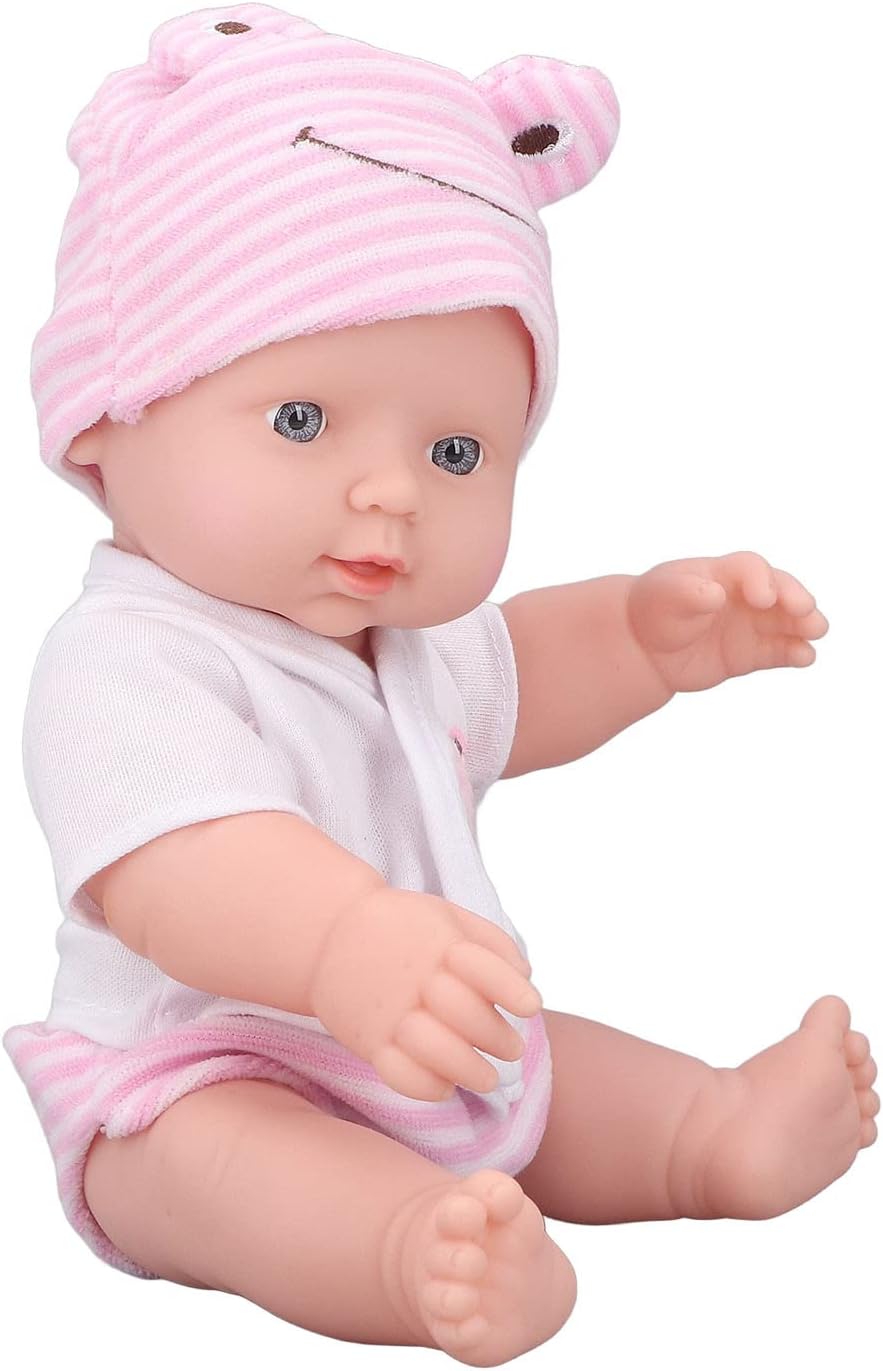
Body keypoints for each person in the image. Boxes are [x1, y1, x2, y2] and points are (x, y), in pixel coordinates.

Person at [5, 6, 877, 1367]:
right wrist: (342, 946)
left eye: (459, 453)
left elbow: (524, 673)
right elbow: (179, 867)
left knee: (544, 1064)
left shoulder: (408, 642)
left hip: (423, 1032)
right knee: (236, 1171)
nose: (394, 492)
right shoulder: (130, 658)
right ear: (110, 419)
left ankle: (710, 1133)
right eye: (302, 420)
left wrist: (645, 639)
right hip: (194, 1068)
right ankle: (415, 1257)